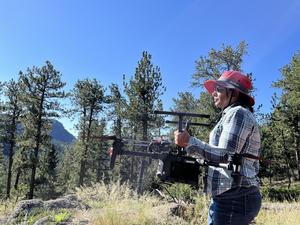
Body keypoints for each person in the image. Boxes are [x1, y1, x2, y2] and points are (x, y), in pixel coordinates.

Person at [174, 71, 261, 225]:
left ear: (234, 93)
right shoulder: (230, 115)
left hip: (234, 197)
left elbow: (226, 156)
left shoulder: (238, 113)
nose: (213, 93)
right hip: (232, 195)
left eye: (219, 89)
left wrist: (189, 142)